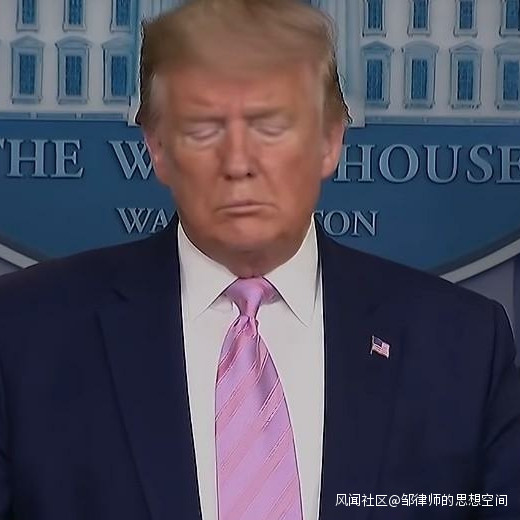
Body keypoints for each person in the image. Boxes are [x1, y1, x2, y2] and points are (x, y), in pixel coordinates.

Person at [0, 0, 519, 518]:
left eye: (270, 126)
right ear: (157, 148)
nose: (238, 163)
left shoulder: (461, 346)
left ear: (330, 140)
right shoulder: (26, 333)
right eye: (203, 128)